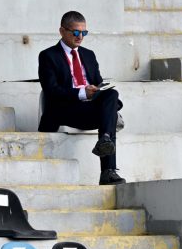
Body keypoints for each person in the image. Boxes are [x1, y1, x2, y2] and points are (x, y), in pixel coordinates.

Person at [38, 11, 125, 186]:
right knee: (110, 116)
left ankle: (105, 145)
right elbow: (51, 91)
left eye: (84, 33)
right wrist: (82, 93)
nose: (80, 37)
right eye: (76, 32)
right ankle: (108, 169)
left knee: (111, 94)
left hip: (89, 109)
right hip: (65, 109)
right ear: (62, 31)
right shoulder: (48, 56)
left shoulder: (89, 55)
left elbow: (98, 83)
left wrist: (98, 90)